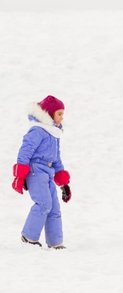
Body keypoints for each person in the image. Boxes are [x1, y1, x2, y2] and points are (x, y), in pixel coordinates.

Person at [11, 95, 72, 249]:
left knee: (54, 207)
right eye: (59, 114)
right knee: (44, 203)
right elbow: (25, 152)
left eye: (62, 114)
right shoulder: (38, 131)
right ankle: (28, 236)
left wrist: (64, 184)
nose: (61, 117)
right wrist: (20, 175)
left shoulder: (55, 134)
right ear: (50, 114)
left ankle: (55, 242)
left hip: (48, 173)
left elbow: (56, 159)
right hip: (35, 171)